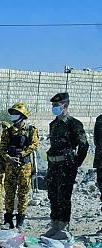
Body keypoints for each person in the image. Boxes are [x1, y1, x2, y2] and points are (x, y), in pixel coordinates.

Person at [44, 92, 89, 239]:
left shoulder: (74, 124)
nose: (54, 107)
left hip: (66, 167)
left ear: (65, 106)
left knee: (63, 197)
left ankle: (63, 227)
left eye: (57, 105)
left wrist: (75, 164)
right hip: (53, 166)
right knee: (53, 196)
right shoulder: (53, 124)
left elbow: (83, 145)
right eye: (53, 105)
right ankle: (54, 225)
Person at [0, 102, 39, 229]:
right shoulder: (8, 131)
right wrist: (9, 158)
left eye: (16, 114)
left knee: (23, 193)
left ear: (23, 116)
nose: (13, 116)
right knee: (9, 193)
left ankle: (20, 220)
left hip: (24, 166)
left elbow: (34, 145)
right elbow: (1, 148)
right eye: (13, 114)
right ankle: (8, 220)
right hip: (11, 166)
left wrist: (22, 154)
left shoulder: (30, 130)